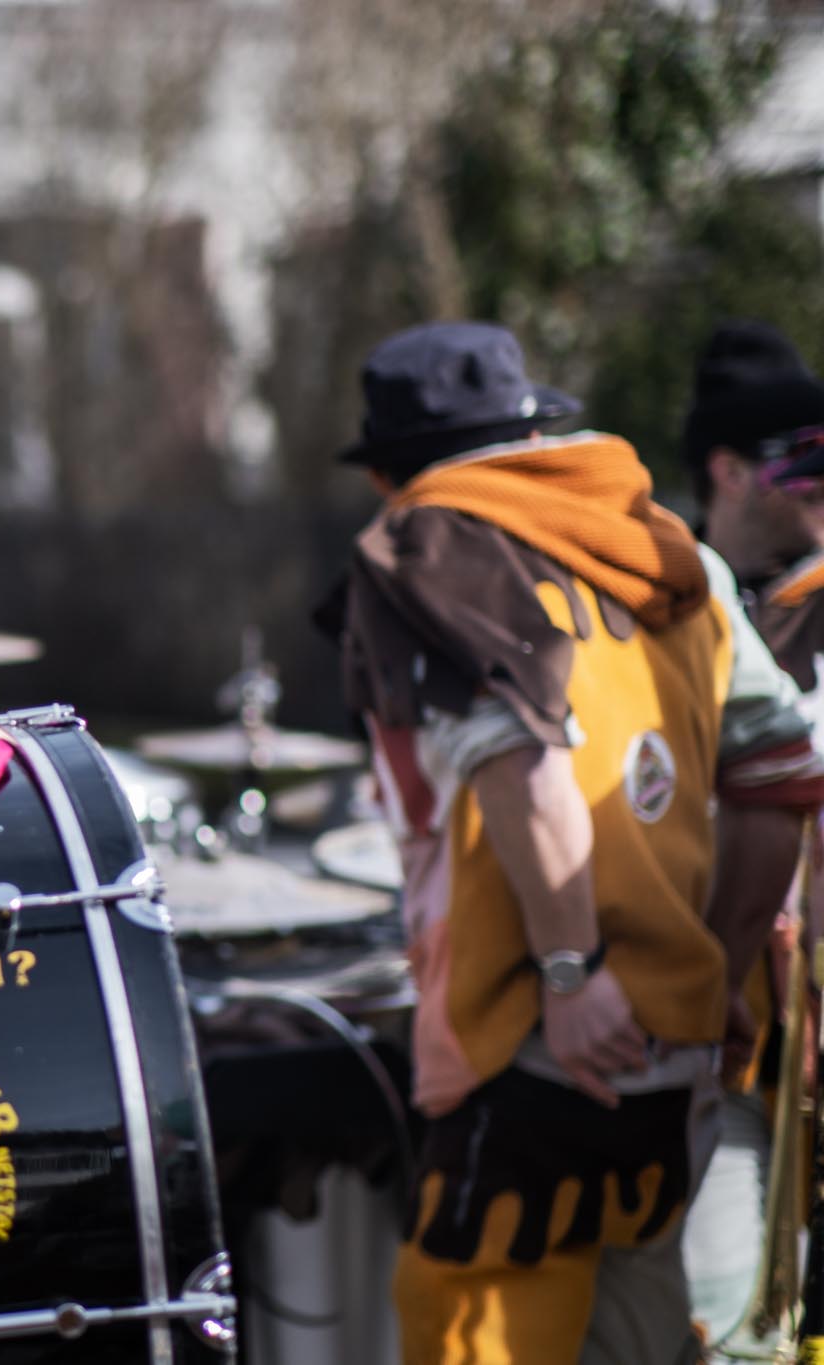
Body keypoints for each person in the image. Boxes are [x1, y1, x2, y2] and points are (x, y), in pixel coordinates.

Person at [326, 320, 817, 1365]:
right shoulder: (674, 554)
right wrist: (717, 968)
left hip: (531, 1043)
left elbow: (524, 771)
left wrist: (572, 970)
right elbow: (780, 777)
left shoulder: (424, 551)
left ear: (389, 471)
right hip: (668, 1045)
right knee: (644, 1334)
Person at [674, 319, 824, 1348]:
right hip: (720, 1029)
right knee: (724, 1321)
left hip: (801, 1022)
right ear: (729, 470)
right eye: (801, 458)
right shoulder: (666, 597)